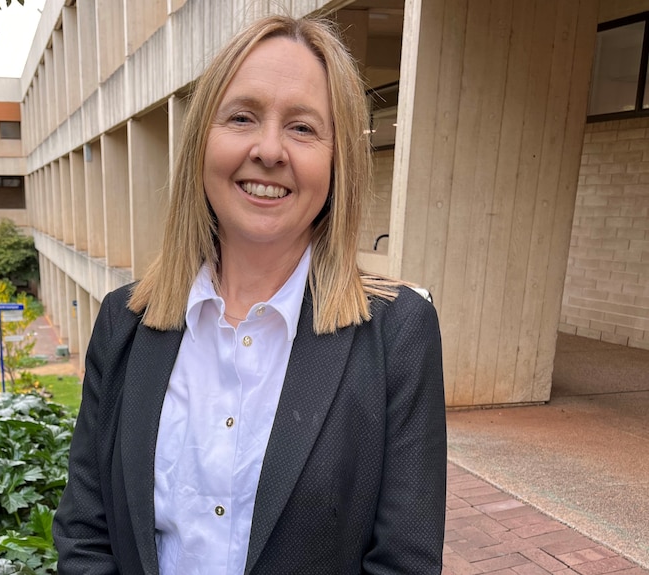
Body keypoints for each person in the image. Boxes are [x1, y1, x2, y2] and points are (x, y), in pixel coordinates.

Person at [53, 14, 446, 575]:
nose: (269, 149)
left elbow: (404, 563)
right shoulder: (125, 321)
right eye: (242, 117)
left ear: (339, 162)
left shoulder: (399, 335)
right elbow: (85, 534)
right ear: (201, 142)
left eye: (303, 128)